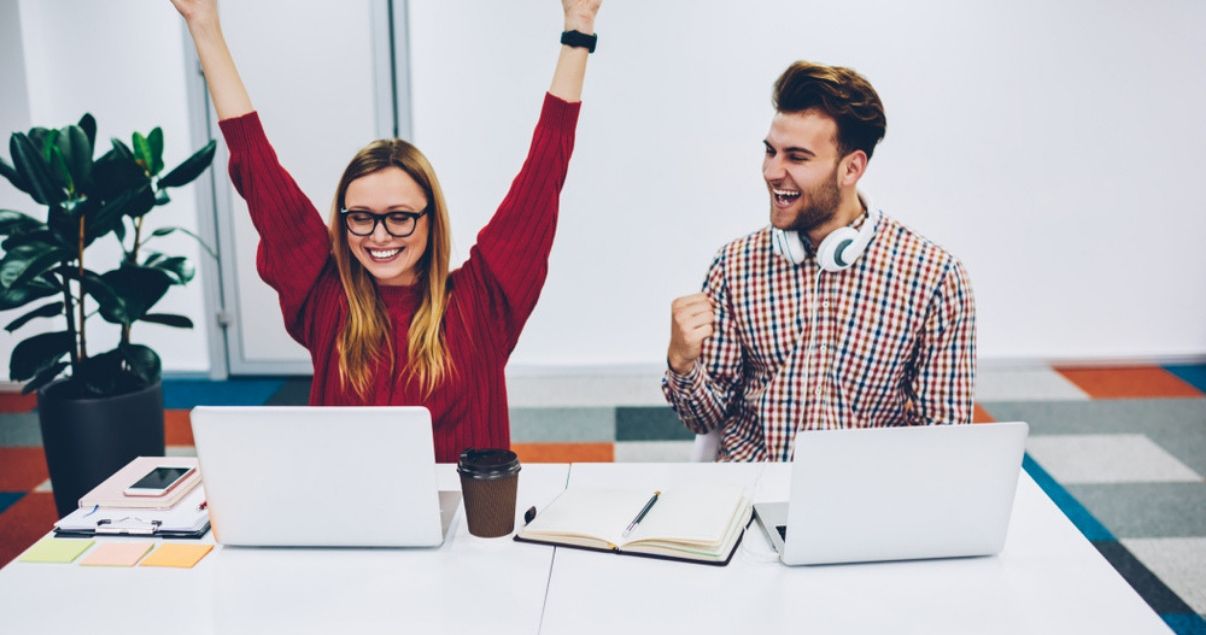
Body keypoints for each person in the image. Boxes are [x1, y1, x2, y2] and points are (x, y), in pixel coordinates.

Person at [171, 0, 602, 462]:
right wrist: (204, 23)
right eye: (361, 216)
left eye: (399, 216)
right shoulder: (324, 299)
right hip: (348, 524)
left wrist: (578, 27)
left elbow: (544, 173)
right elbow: (254, 163)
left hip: (466, 530)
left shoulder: (483, 302)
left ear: (431, 220)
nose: (379, 236)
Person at [663, 61, 976, 462]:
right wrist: (682, 362)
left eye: (797, 157)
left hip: (861, 503)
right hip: (750, 492)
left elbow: (944, 440)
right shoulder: (734, 265)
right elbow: (704, 419)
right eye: (770, 151)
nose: (772, 172)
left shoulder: (934, 278)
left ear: (851, 168)